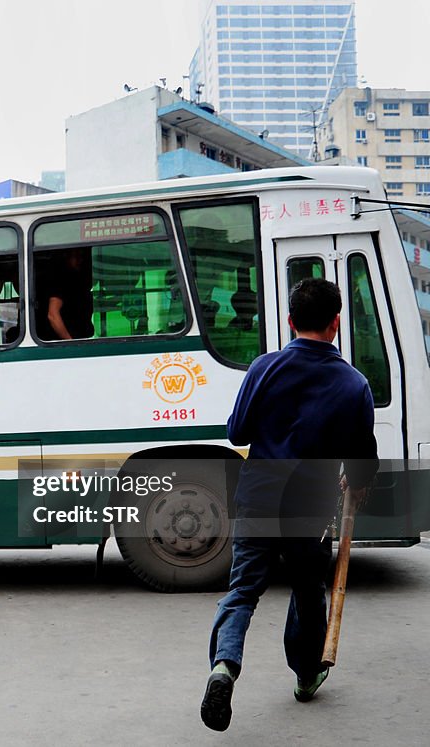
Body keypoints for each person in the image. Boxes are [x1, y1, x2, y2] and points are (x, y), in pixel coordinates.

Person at [201, 278, 379, 731]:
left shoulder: (264, 367)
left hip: (258, 496)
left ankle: (224, 666)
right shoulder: (354, 385)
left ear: (289, 320)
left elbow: (237, 433)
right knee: (306, 591)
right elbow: (362, 456)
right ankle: (305, 675)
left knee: (243, 592)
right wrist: (356, 482)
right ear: (337, 323)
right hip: (311, 505)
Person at [44, 249, 93, 340]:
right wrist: (70, 342)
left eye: (82, 257)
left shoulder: (78, 282)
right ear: (66, 257)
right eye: (76, 256)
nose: (80, 260)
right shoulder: (62, 281)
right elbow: (53, 315)